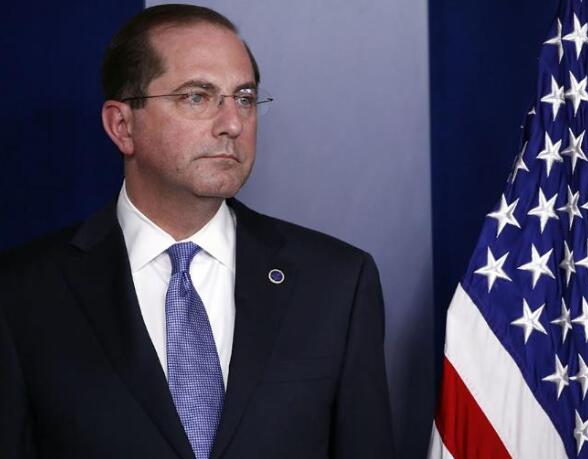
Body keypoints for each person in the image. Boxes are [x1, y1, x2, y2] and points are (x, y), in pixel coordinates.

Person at [0, 4, 394, 459]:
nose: (232, 124)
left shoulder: (337, 283)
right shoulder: (20, 294)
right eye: (196, 97)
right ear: (122, 125)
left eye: (244, 98)